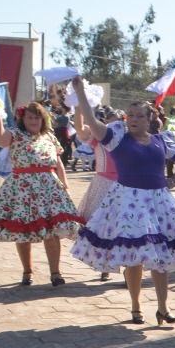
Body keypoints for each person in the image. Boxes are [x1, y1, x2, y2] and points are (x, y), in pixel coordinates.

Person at [70, 81, 175, 323]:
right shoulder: (117, 139)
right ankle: (136, 307)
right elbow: (92, 122)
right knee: (135, 257)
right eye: (130, 115)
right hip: (129, 203)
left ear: (148, 119)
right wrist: (80, 91)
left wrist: (174, 179)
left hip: (159, 203)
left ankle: (163, 308)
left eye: (139, 116)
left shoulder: (161, 140)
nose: (133, 119)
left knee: (161, 258)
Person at [0, 101, 83, 286]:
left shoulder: (49, 136)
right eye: (30, 117)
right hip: (22, 189)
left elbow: (58, 163)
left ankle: (55, 273)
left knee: (52, 232)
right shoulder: (15, 135)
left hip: (49, 189)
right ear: (22, 119)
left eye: (37, 117)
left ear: (43, 119)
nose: (34, 120)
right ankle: (27, 271)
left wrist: (65, 185)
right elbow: (1, 138)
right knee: (22, 231)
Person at [71, 108, 121, 282]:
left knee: (122, 226)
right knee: (102, 226)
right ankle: (105, 266)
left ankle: (127, 267)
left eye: (120, 120)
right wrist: (79, 109)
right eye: (112, 120)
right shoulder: (98, 137)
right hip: (102, 184)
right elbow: (80, 128)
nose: (117, 124)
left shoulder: (127, 138)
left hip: (123, 185)